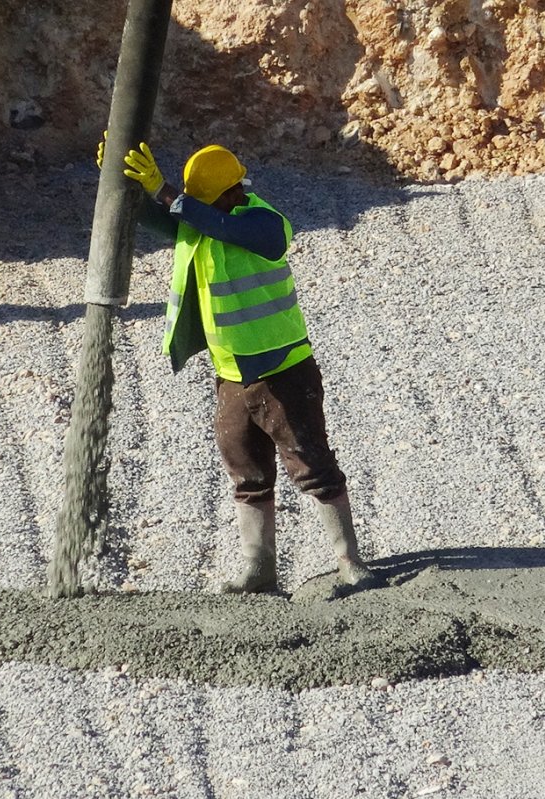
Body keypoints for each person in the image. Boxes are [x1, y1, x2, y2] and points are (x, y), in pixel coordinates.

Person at [106, 137, 373, 593]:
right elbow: (157, 219)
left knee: (311, 463)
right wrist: (119, 179)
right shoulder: (202, 221)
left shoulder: (263, 223)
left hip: (283, 371)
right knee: (246, 470)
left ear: (235, 191)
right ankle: (259, 569)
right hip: (230, 375)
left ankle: (350, 561)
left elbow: (225, 227)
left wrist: (170, 192)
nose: (202, 209)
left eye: (207, 201)